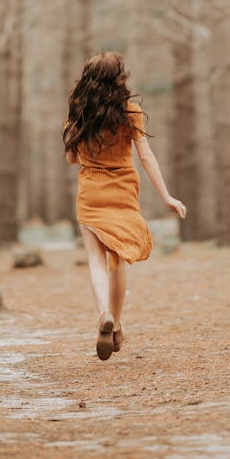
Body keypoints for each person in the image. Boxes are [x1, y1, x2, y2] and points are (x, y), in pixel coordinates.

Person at [63, 51, 187, 361]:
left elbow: (71, 158)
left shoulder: (78, 111)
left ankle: (103, 312)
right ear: (119, 78)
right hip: (123, 191)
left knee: (94, 258)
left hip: (91, 192)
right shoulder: (129, 112)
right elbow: (145, 156)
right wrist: (167, 196)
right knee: (117, 259)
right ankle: (115, 323)